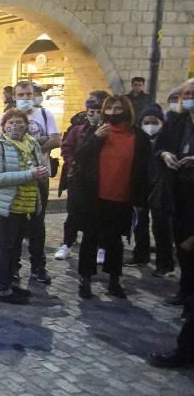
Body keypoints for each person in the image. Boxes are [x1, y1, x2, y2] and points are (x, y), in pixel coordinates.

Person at [72, 95, 150, 299]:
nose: (113, 113)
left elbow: (144, 167)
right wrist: (96, 137)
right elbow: (80, 156)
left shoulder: (138, 136)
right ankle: (85, 279)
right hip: (94, 196)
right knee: (89, 239)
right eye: (110, 108)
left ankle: (114, 280)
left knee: (115, 241)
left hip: (122, 197)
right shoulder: (98, 132)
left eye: (118, 109)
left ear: (126, 110)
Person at [0, 109, 49, 305]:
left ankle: (11, 285)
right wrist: (29, 175)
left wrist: (42, 172)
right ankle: (1, 290)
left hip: (25, 204)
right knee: (4, 247)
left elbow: (38, 164)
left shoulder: (31, 142)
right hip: (5, 205)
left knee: (14, 247)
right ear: (3, 126)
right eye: (10, 122)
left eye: (19, 122)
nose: (15, 126)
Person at [0, 81, 60, 284]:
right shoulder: (7, 116)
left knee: (37, 225)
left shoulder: (45, 115)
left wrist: (32, 142)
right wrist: (38, 141)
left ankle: (38, 267)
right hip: (17, 177)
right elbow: (4, 142)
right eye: (21, 94)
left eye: (28, 94)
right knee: (15, 225)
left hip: (40, 178)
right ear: (14, 96)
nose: (25, 98)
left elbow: (56, 140)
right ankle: (14, 266)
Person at [55, 93, 108, 262]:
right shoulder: (77, 131)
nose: (93, 116)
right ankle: (67, 244)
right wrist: (72, 163)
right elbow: (67, 149)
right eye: (90, 112)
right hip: (78, 179)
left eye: (98, 112)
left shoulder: (107, 131)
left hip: (100, 179)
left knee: (100, 215)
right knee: (73, 213)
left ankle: (101, 246)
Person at [156, 79, 194, 312]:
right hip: (180, 194)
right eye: (185, 94)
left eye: (192, 93)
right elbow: (160, 147)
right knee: (182, 246)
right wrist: (165, 155)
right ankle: (185, 290)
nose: (188, 97)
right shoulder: (179, 122)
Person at [132, 104, 174, 275]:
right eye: (146, 121)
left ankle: (164, 263)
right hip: (142, 187)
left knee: (161, 226)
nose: (150, 125)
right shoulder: (138, 138)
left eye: (154, 121)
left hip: (161, 188)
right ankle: (141, 255)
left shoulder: (168, 139)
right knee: (139, 223)